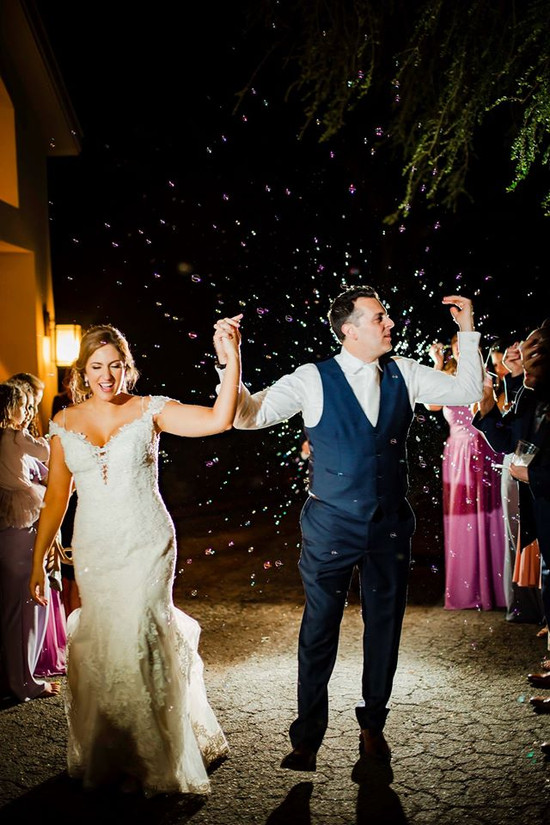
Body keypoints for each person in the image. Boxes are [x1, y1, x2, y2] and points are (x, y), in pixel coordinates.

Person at [213, 286, 483, 772]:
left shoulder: (406, 373)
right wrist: (230, 361)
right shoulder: (311, 379)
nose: (390, 325)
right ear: (349, 330)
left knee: (385, 627)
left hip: (390, 527)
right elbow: (246, 416)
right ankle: (306, 737)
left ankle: (372, 727)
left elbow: (466, 392)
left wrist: (467, 331)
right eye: (379, 319)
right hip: (330, 527)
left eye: (387, 318)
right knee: (318, 630)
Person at [29, 319, 242, 796]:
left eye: (116, 366)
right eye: (97, 367)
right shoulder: (63, 421)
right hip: (94, 546)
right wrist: (38, 559)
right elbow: (56, 497)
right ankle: (115, 747)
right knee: (107, 640)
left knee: (144, 633)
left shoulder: (151, 410)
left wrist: (230, 359)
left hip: (146, 541)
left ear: (129, 368)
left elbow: (218, 419)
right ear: (82, 372)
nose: (107, 376)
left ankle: (158, 753)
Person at [471, 321, 550, 735]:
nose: (523, 353)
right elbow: (508, 441)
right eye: (524, 347)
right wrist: (486, 408)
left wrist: (531, 477)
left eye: (535, 350)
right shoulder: (529, 395)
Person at [426, 335, 506, 611]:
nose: (461, 350)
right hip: (457, 452)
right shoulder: (447, 377)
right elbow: (431, 404)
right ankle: (468, 588)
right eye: (457, 347)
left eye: (467, 346)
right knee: (462, 514)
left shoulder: (486, 377)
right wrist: (437, 363)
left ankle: (493, 588)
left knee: (488, 513)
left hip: (483, 448)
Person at [0, 382, 60, 701]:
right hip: (19, 528)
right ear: (10, 409)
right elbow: (48, 452)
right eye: (23, 407)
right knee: (29, 600)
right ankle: (24, 681)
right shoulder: (14, 436)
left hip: (4, 525)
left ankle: (13, 677)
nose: (27, 412)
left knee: (9, 607)